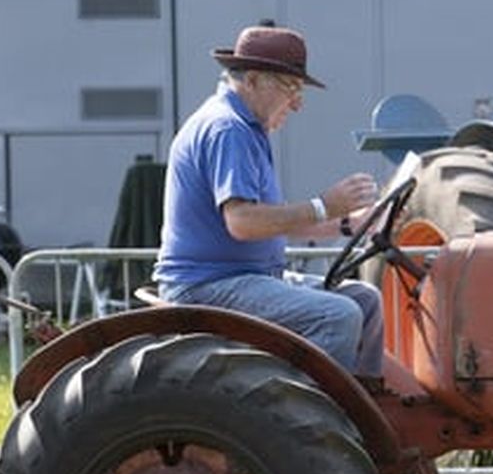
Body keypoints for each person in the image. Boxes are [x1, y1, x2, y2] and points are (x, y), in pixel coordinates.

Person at [155, 24, 384, 379]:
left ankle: (370, 412)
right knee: (339, 315)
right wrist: (326, 204)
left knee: (364, 300)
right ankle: (317, 425)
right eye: (290, 86)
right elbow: (243, 221)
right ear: (253, 80)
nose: (297, 102)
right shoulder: (228, 129)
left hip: (241, 278)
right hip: (208, 286)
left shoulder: (245, 128)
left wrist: (351, 223)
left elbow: (271, 220)